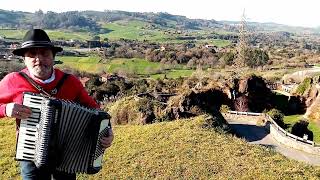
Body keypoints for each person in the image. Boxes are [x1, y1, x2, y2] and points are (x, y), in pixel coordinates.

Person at [0, 29, 114, 179]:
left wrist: (107, 130)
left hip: (67, 150)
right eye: (32, 54)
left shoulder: (70, 81)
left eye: (45, 53)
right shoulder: (13, 80)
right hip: (30, 153)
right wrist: (6, 109)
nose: (38, 59)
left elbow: (95, 110)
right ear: (24, 59)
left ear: (53, 57)